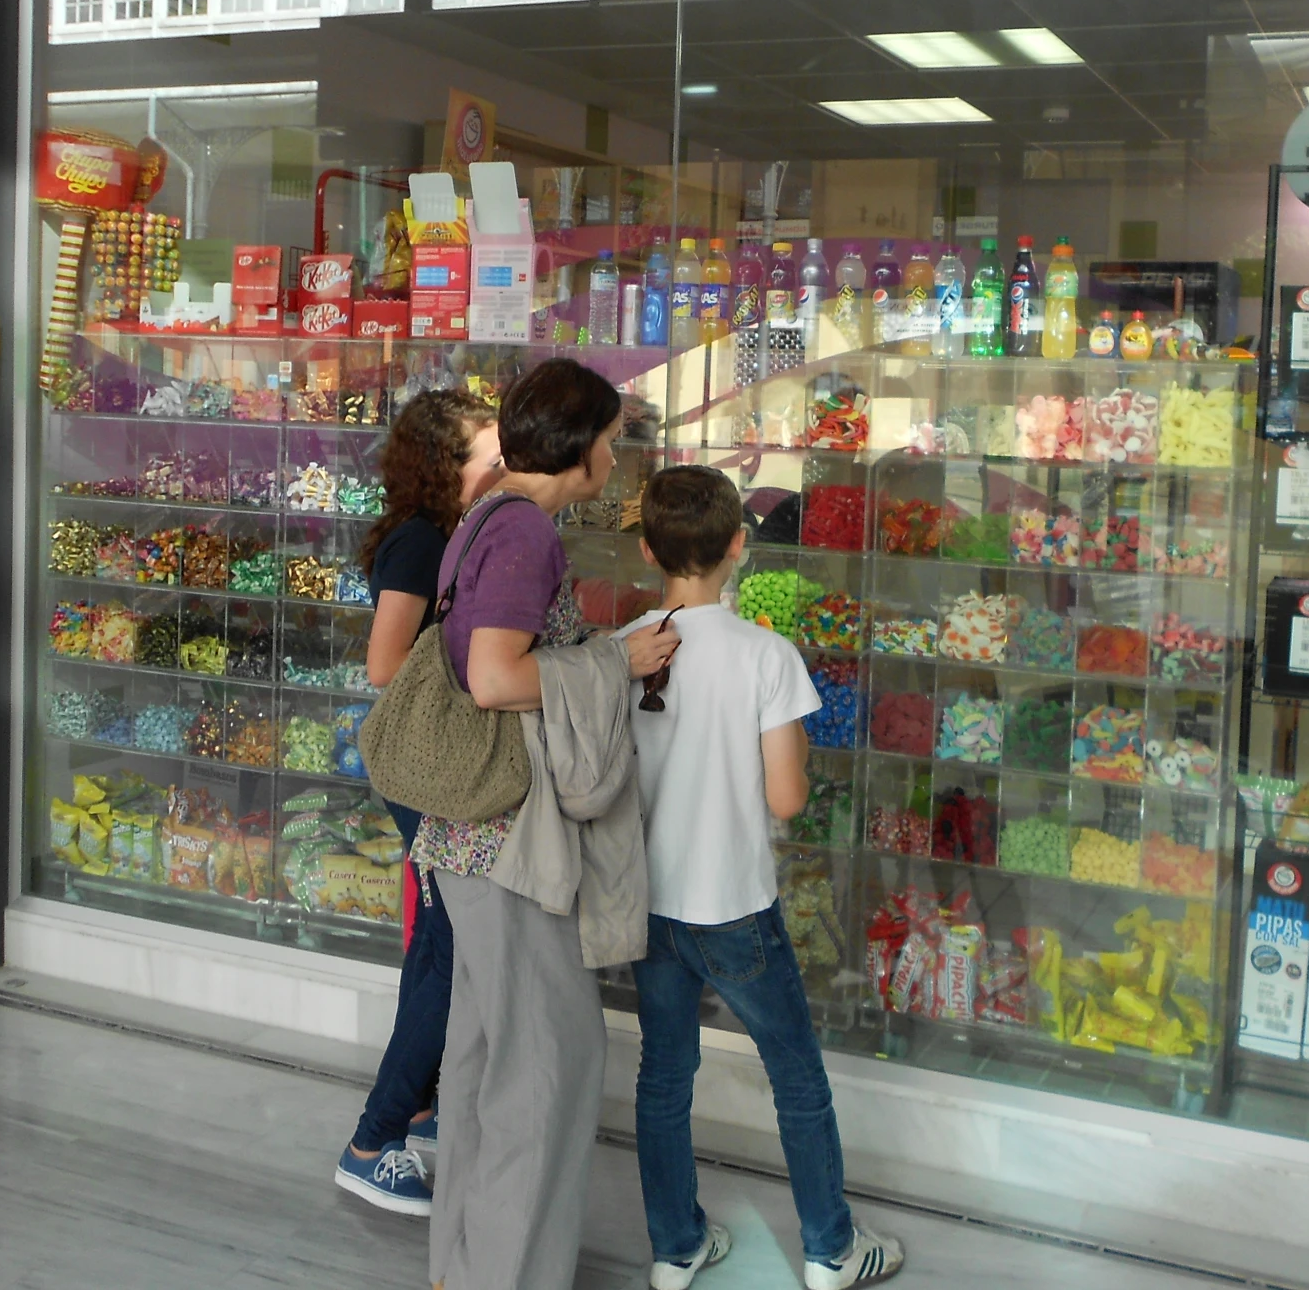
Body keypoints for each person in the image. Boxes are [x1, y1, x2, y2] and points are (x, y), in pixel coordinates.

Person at [419, 358, 680, 1290]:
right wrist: (612, 663)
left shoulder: (486, 511)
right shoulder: (527, 534)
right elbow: (494, 679)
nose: (618, 454)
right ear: (580, 445)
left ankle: (464, 1263)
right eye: (612, 437)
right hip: (510, 839)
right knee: (549, 1066)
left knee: (489, 1056)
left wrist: (602, 652)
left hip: (469, 832)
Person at [619, 466, 906, 1290]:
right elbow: (785, 799)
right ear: (740, 546)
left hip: (649, 905)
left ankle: (675, 1249)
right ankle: (830, 1250)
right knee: (797, 1079)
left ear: (645, 550)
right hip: (734, 906)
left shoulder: (621, 649)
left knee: (663, 1077)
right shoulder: (766, 656)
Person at [333, 389, 502, 1216]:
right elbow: (383, 664)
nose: (502, 465)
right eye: (487, 453)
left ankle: (421, 1104)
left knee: (442, 944)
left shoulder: (453, 534)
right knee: (446, 947)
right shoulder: (420, 542)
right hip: (425, 764)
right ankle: (373, 1140)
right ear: (446, 466)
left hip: (435, 761)